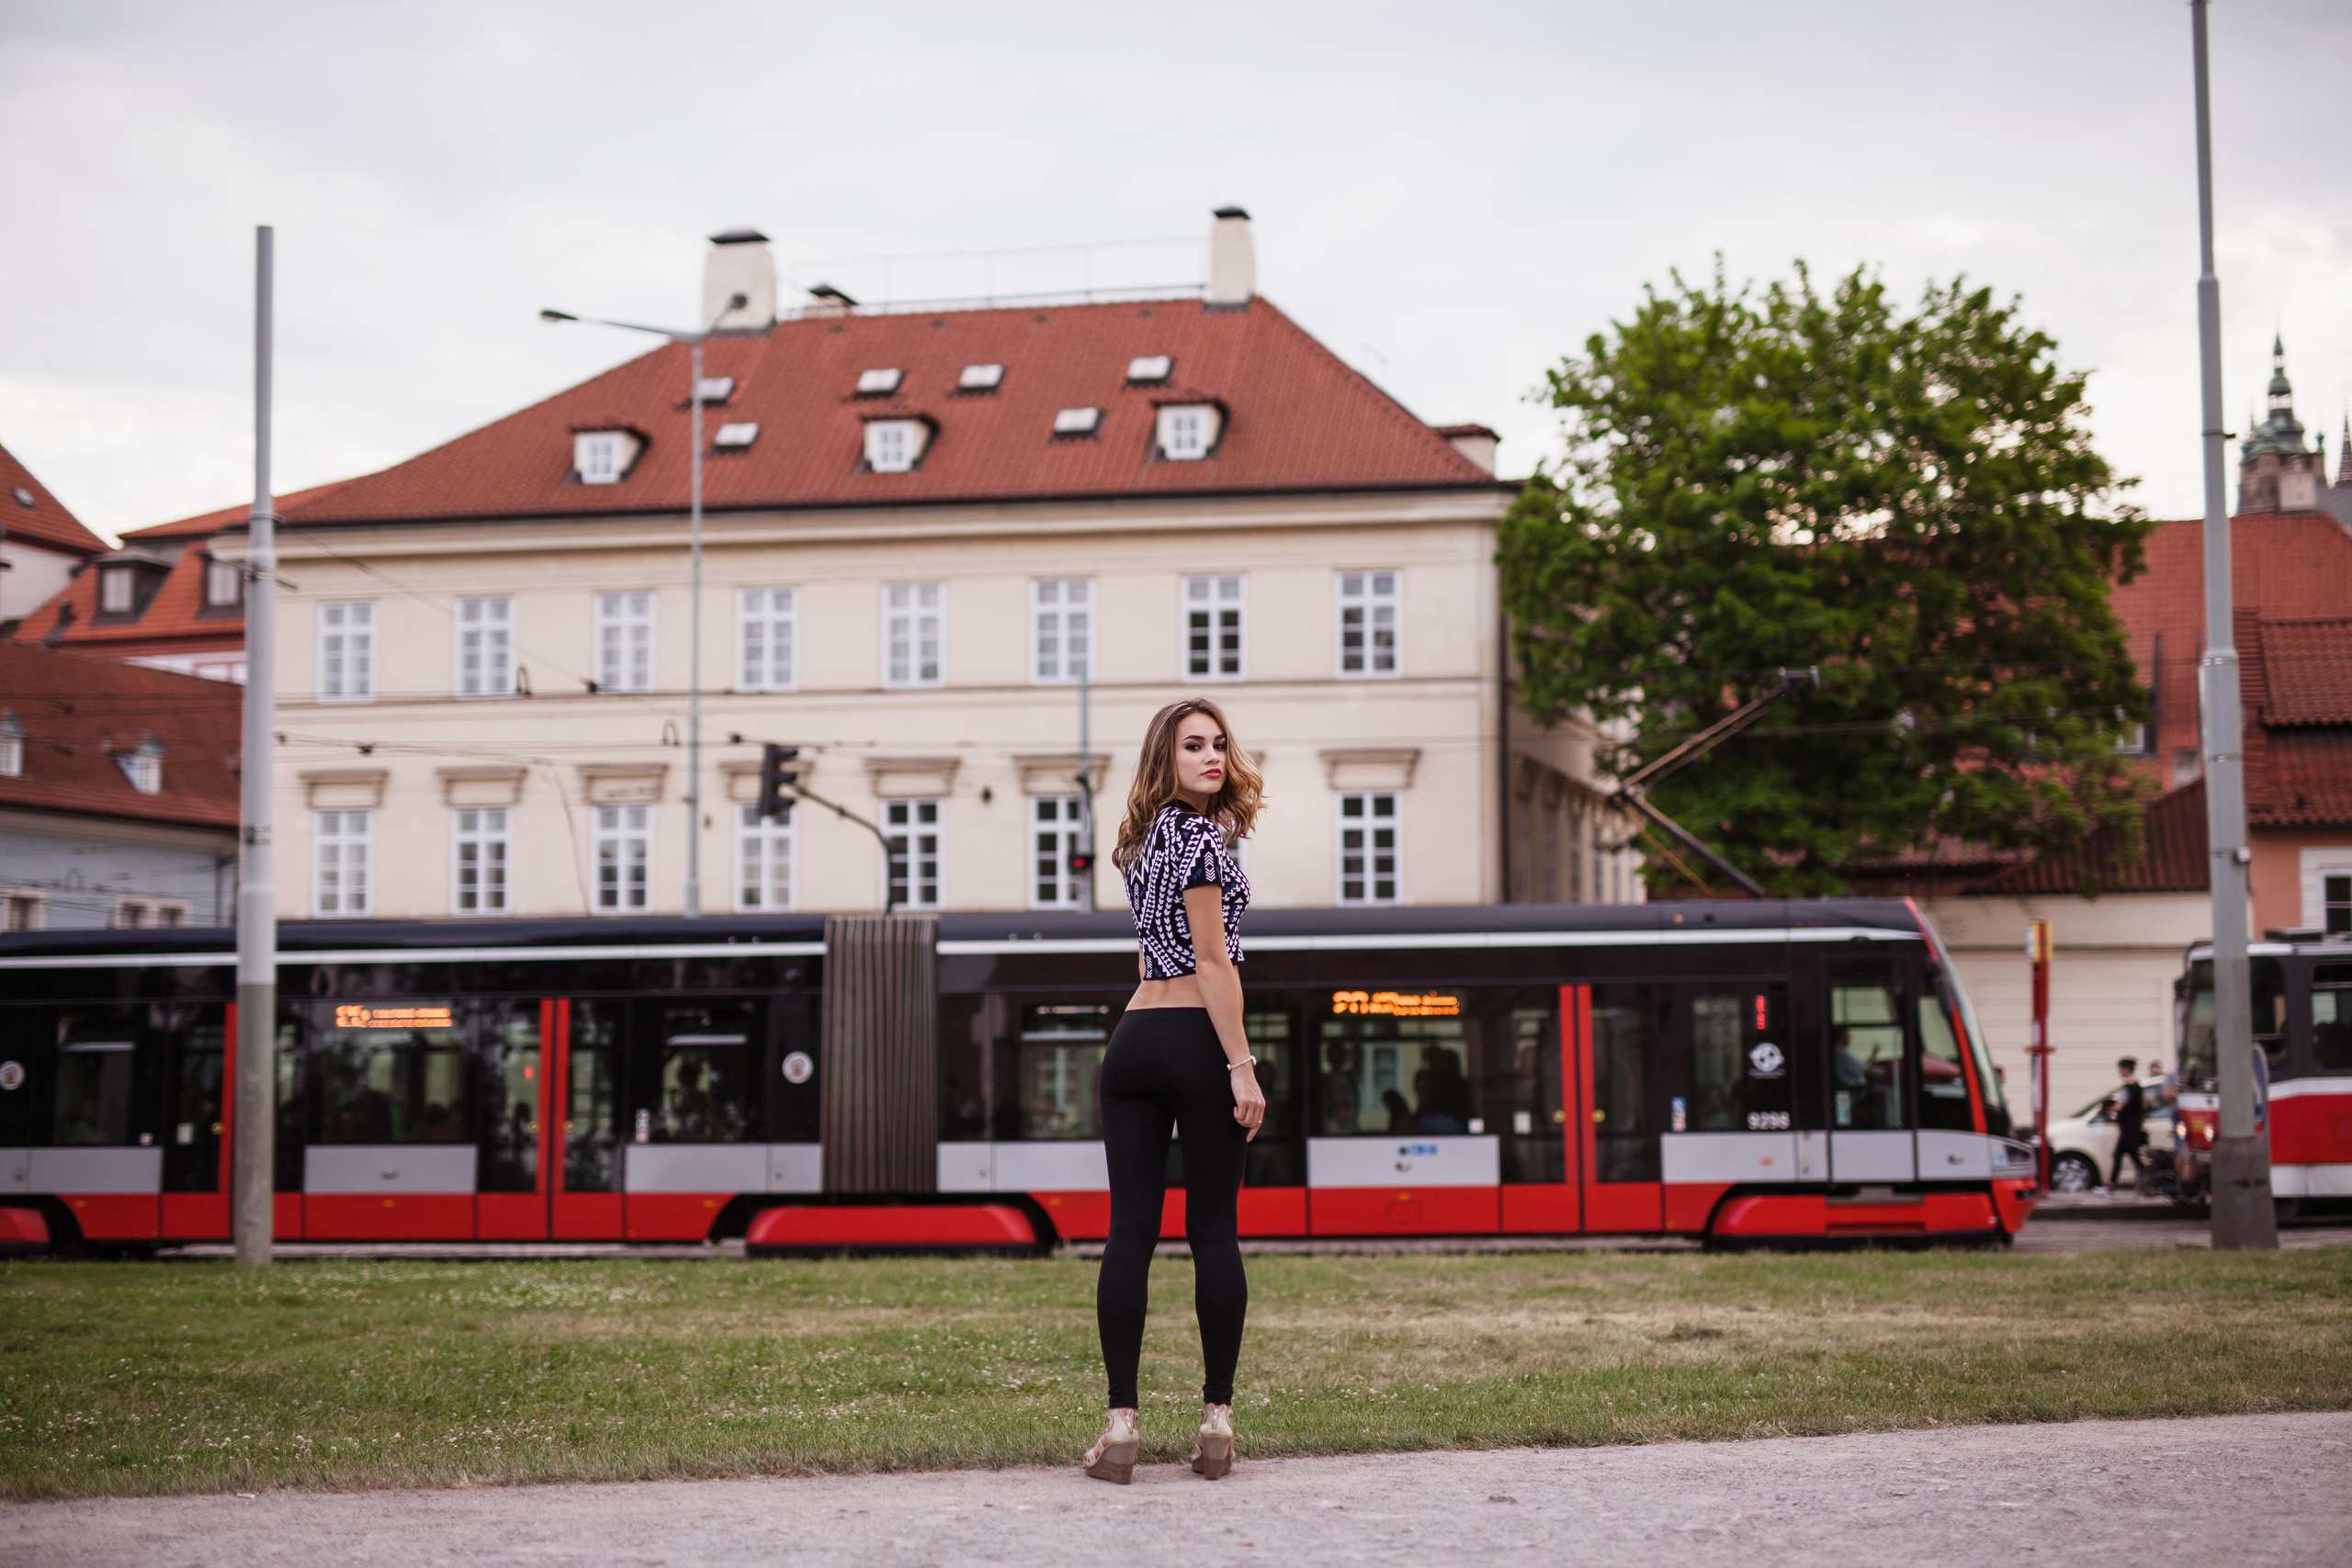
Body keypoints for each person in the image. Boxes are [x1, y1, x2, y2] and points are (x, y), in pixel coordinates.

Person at [1082, 698, 1265, 1485]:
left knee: (1130, 1235)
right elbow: (1214, 961)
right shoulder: (1198, 839)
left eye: (1219, 743)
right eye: (1194, 745)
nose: (1212, 755)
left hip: (1133, 1043)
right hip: (1195, 1038)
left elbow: (1149, 955)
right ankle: (1216, 1423)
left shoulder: (1142, 839)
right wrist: (1241, 1064)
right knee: (1213, 1233)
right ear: (1167, 755)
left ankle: (1120, 1427)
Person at [2105, 1055, 2147, 1192]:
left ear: (2126, 1069)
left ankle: (2112, 1184)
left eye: (2120, 1068)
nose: (2119, 1071)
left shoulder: (2127, 1087)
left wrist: (2110, 1108)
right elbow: (2143, 1105)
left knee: (2118, 1154)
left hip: (2127, 1129)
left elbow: (2120, 1105)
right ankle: (2147, 1177)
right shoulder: (2138, 1086)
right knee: (2131, 1155)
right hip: (2134, 1127)